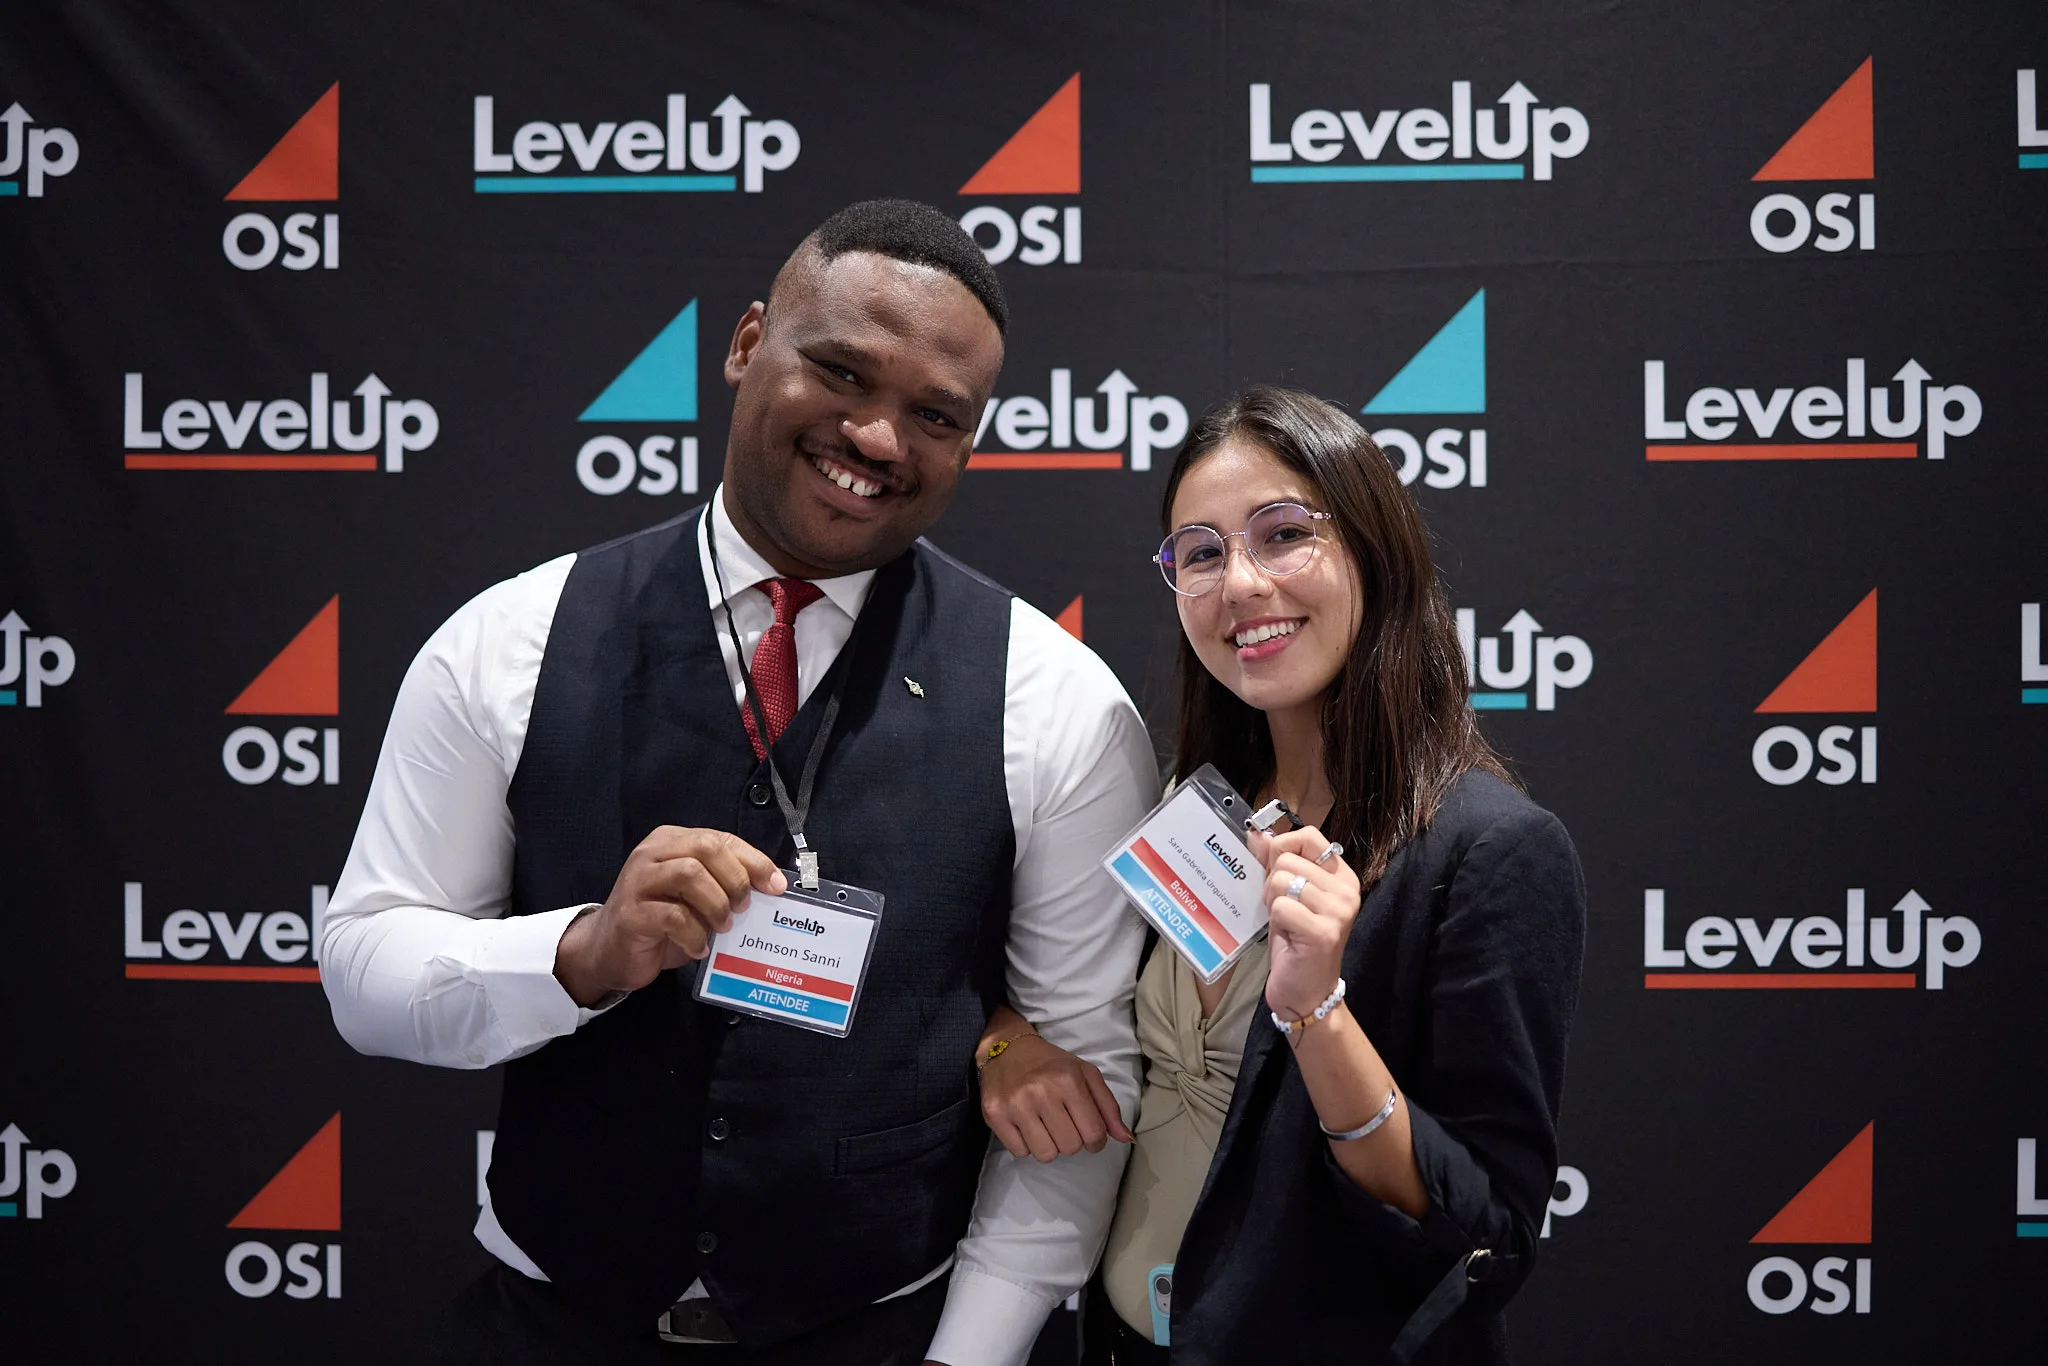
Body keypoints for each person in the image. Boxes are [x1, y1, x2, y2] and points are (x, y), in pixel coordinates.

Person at [320, 199, 1157, 1366]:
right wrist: (578, 953)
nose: (878, 436)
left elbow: (1080, 1083)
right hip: (549, 1325)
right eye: (841, 372)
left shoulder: (1057, 701)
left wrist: (968, 1355)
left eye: (935, 415)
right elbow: (362, 969)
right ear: (748, 342)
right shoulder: (505, 643)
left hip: (886, 1336)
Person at [977, 386, 1586, 1364]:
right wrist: (1007, 1043)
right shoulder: (1182, 803)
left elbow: (1487, 1238)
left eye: (1284, 534)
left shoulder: (1490, 850)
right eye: (1200, 553)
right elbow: (1053, 1003)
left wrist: (1316, 1013)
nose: (1240, 583)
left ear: (1373, 549)